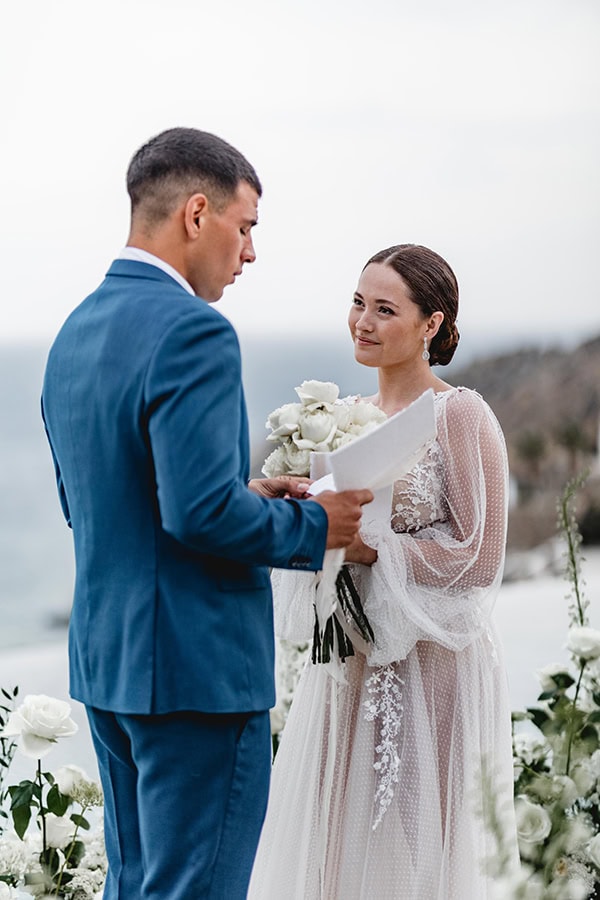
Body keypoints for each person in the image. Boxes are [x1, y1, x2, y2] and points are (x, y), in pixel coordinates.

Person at [41, 127, 372, 900]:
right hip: (196, 677)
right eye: (245, 226)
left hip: (110, 667)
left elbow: (89, 502)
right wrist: (320, 526)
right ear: (197, 213)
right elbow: (197, 518)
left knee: (138, 886)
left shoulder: (73, 334)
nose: (249, 252)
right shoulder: (195, 329)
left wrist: (242, 495)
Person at [248, 244, 519, 899]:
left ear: (430, 324)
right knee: (339, 843)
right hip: (351, 658)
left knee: (418, 844)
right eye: (357, 303)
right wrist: (298, 508)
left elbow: (479, 557)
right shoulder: (346, 417)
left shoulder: (460, 415)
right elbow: (336, 535)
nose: (363, 321)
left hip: (433, 666)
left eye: (384, 309)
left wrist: (375, 551)